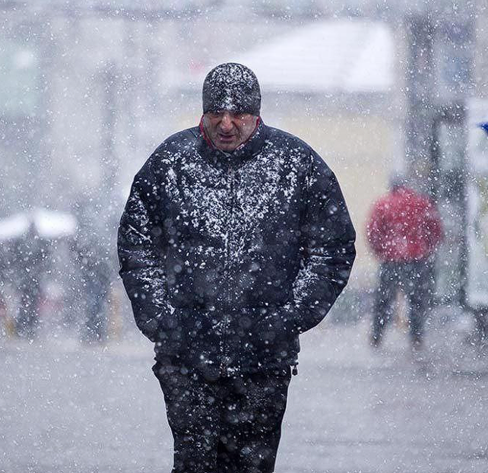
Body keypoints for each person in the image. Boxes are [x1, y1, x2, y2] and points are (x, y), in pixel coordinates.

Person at [117, 63, 356, 473]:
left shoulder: (296, 165)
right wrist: (160, 318)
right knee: (194, 463)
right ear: (203, 112)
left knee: (251, 466)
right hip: (186, 357)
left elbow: (332, 249)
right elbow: (137, 244)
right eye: (217, 114)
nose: (226, 124)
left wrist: (289, 317)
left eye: (238, 114)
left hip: (264, 360)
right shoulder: (169, 164)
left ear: (256, 114)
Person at [366, 172, 443, 349]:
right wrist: (426, 249)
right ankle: (416, 338)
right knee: (416, 301)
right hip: (416, 260)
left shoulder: (383, 205)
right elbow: (435, 230)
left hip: (390, 260)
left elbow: (373, 232)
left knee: (384, 301)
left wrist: (381, 251)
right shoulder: (422, 204)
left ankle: (377, 336)